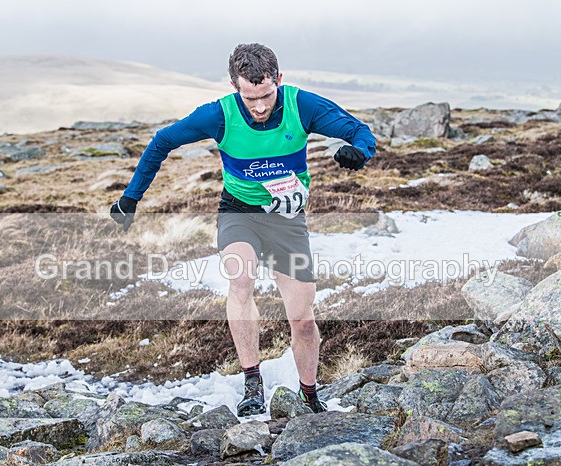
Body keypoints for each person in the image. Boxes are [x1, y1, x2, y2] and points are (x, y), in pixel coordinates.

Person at [111, 43, 376, 416]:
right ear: (235, 86)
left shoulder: (302, 106)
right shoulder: (218, 115)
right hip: (239, 213)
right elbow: (162, 142)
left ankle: (309, 394)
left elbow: (359, 131)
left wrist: (360, 152)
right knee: (241, 279)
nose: (261, 106)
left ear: (278, 80)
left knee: (301, 318)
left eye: (267, 95)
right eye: (250, 98)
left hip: (287, 220)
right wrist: (130, 198)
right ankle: (252, 381)